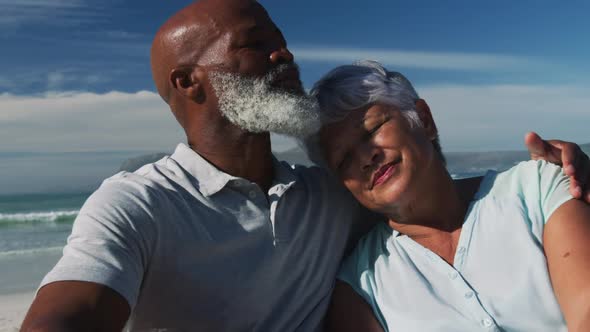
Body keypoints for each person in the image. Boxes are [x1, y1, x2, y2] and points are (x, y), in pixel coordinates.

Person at [21, 1, 590, 331]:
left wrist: (553, 177)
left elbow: (435, 201)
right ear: (188, 81)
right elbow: (74, 307)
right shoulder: (138, 204)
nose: (285, 54)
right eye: (255, 43)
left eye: (284, 41)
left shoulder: (330, 196)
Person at [305, 60, 590, 332]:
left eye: (373, 129)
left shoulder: (537, 188)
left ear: (425, 120)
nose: (366, 157)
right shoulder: (360, 286)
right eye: (343, 159)